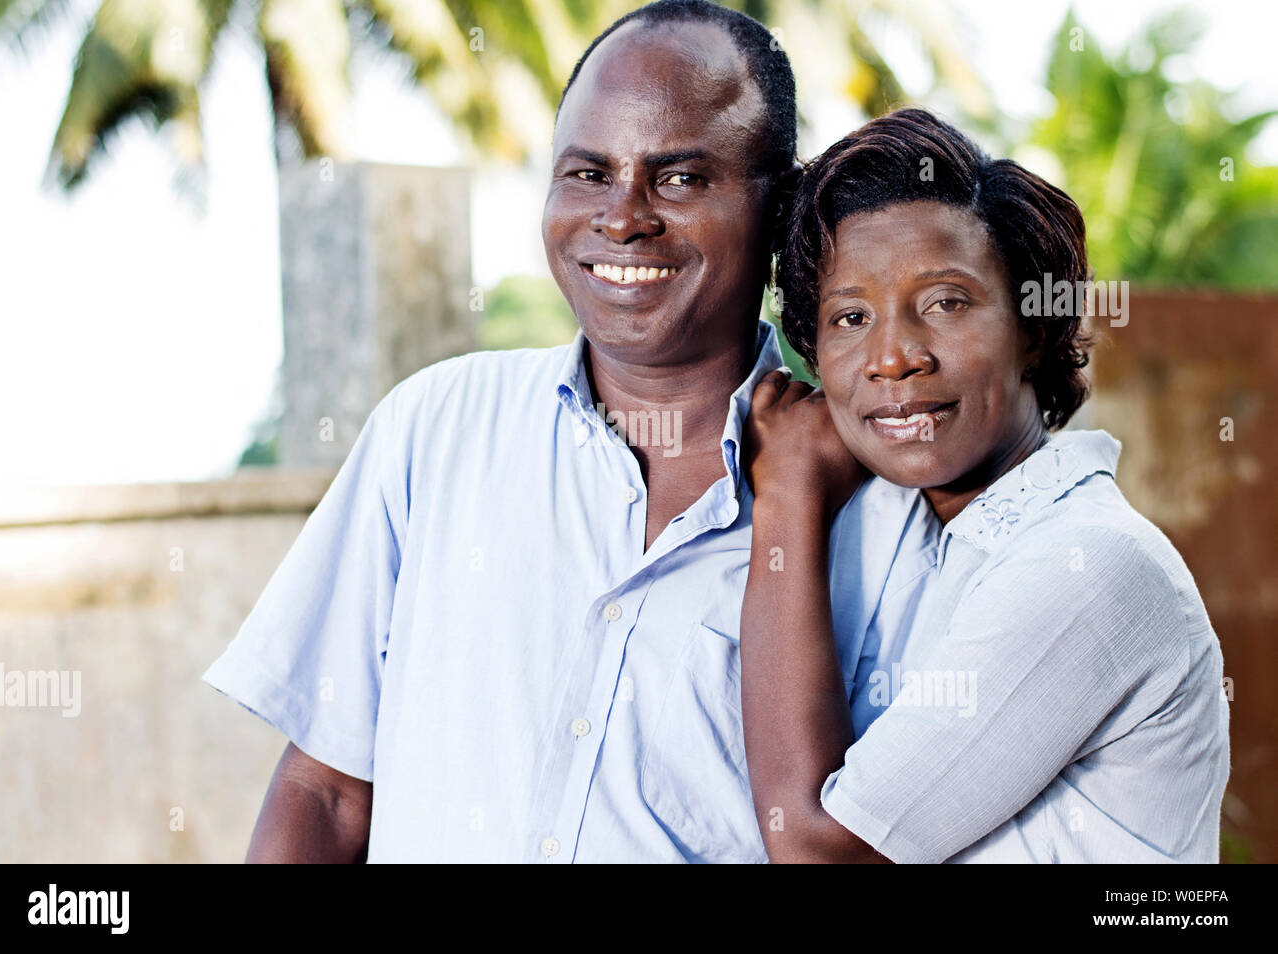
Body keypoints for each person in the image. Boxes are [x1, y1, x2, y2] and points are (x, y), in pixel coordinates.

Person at [202, 0, 927, 863]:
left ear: (779, 211)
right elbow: (322, 792)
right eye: (586, 173)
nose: (622, 217)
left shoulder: (879, 505)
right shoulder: (434, 431)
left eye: (681, 179)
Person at [739, 107, 1231, 863]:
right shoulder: (903, 527)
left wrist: (786, 502)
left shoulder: (1088, 565)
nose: (894, 357)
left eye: (945, 303)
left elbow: (814, 851)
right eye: (850, 317)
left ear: (1033, 327)